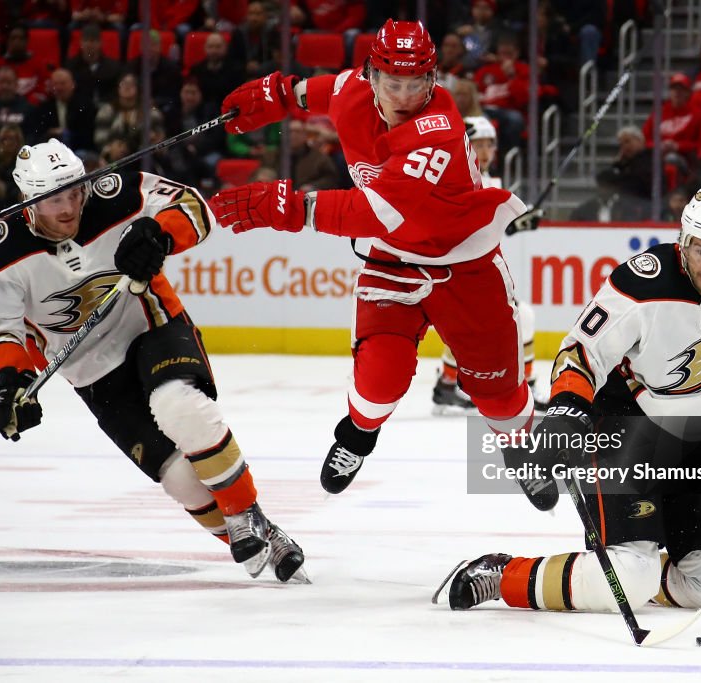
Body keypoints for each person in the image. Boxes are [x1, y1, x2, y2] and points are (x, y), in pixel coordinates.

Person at [209, 20, 533, 495]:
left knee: (500, 399)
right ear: (371, 75)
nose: (403, 95)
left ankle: (518, 445)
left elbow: (375, 213)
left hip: (465, 263)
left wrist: (288, 209)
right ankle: (357, 436)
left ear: (432, 80)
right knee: (379, 379)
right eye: (392, 82)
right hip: (394, 259)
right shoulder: (352, 88)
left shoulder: (437, 131)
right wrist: (276, 95)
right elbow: (314, 91)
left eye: (415, 83)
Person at [0, 139, 306, 583]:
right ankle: (261, 532)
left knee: (179, 406)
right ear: (28, 200)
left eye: (74, 192)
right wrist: (10, 382)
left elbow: (194, 207)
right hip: (89, 371)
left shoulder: (114, 195)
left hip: (151, 324)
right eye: (53, 200)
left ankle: (244, 514)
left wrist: (161, 233)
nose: (69, 208)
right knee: (179, 479)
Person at [438, 188, 701, 617]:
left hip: (687, 439)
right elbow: (580, 352)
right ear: (683, 239)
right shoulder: (641, 282)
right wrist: (566, 409)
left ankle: (641, 573)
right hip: (622, 425)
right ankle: (504, 575)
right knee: (630, 577)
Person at [431, 115, 538, 415]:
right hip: (458, 270)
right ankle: (520, 384)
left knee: (509, 320)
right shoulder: (456, 178)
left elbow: (489, 223)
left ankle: (449, 384)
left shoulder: (490, 179)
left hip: (476, 269)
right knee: (513, 319)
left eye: (490, 143)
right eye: (478, 143)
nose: (486, 150)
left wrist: (517, 222)